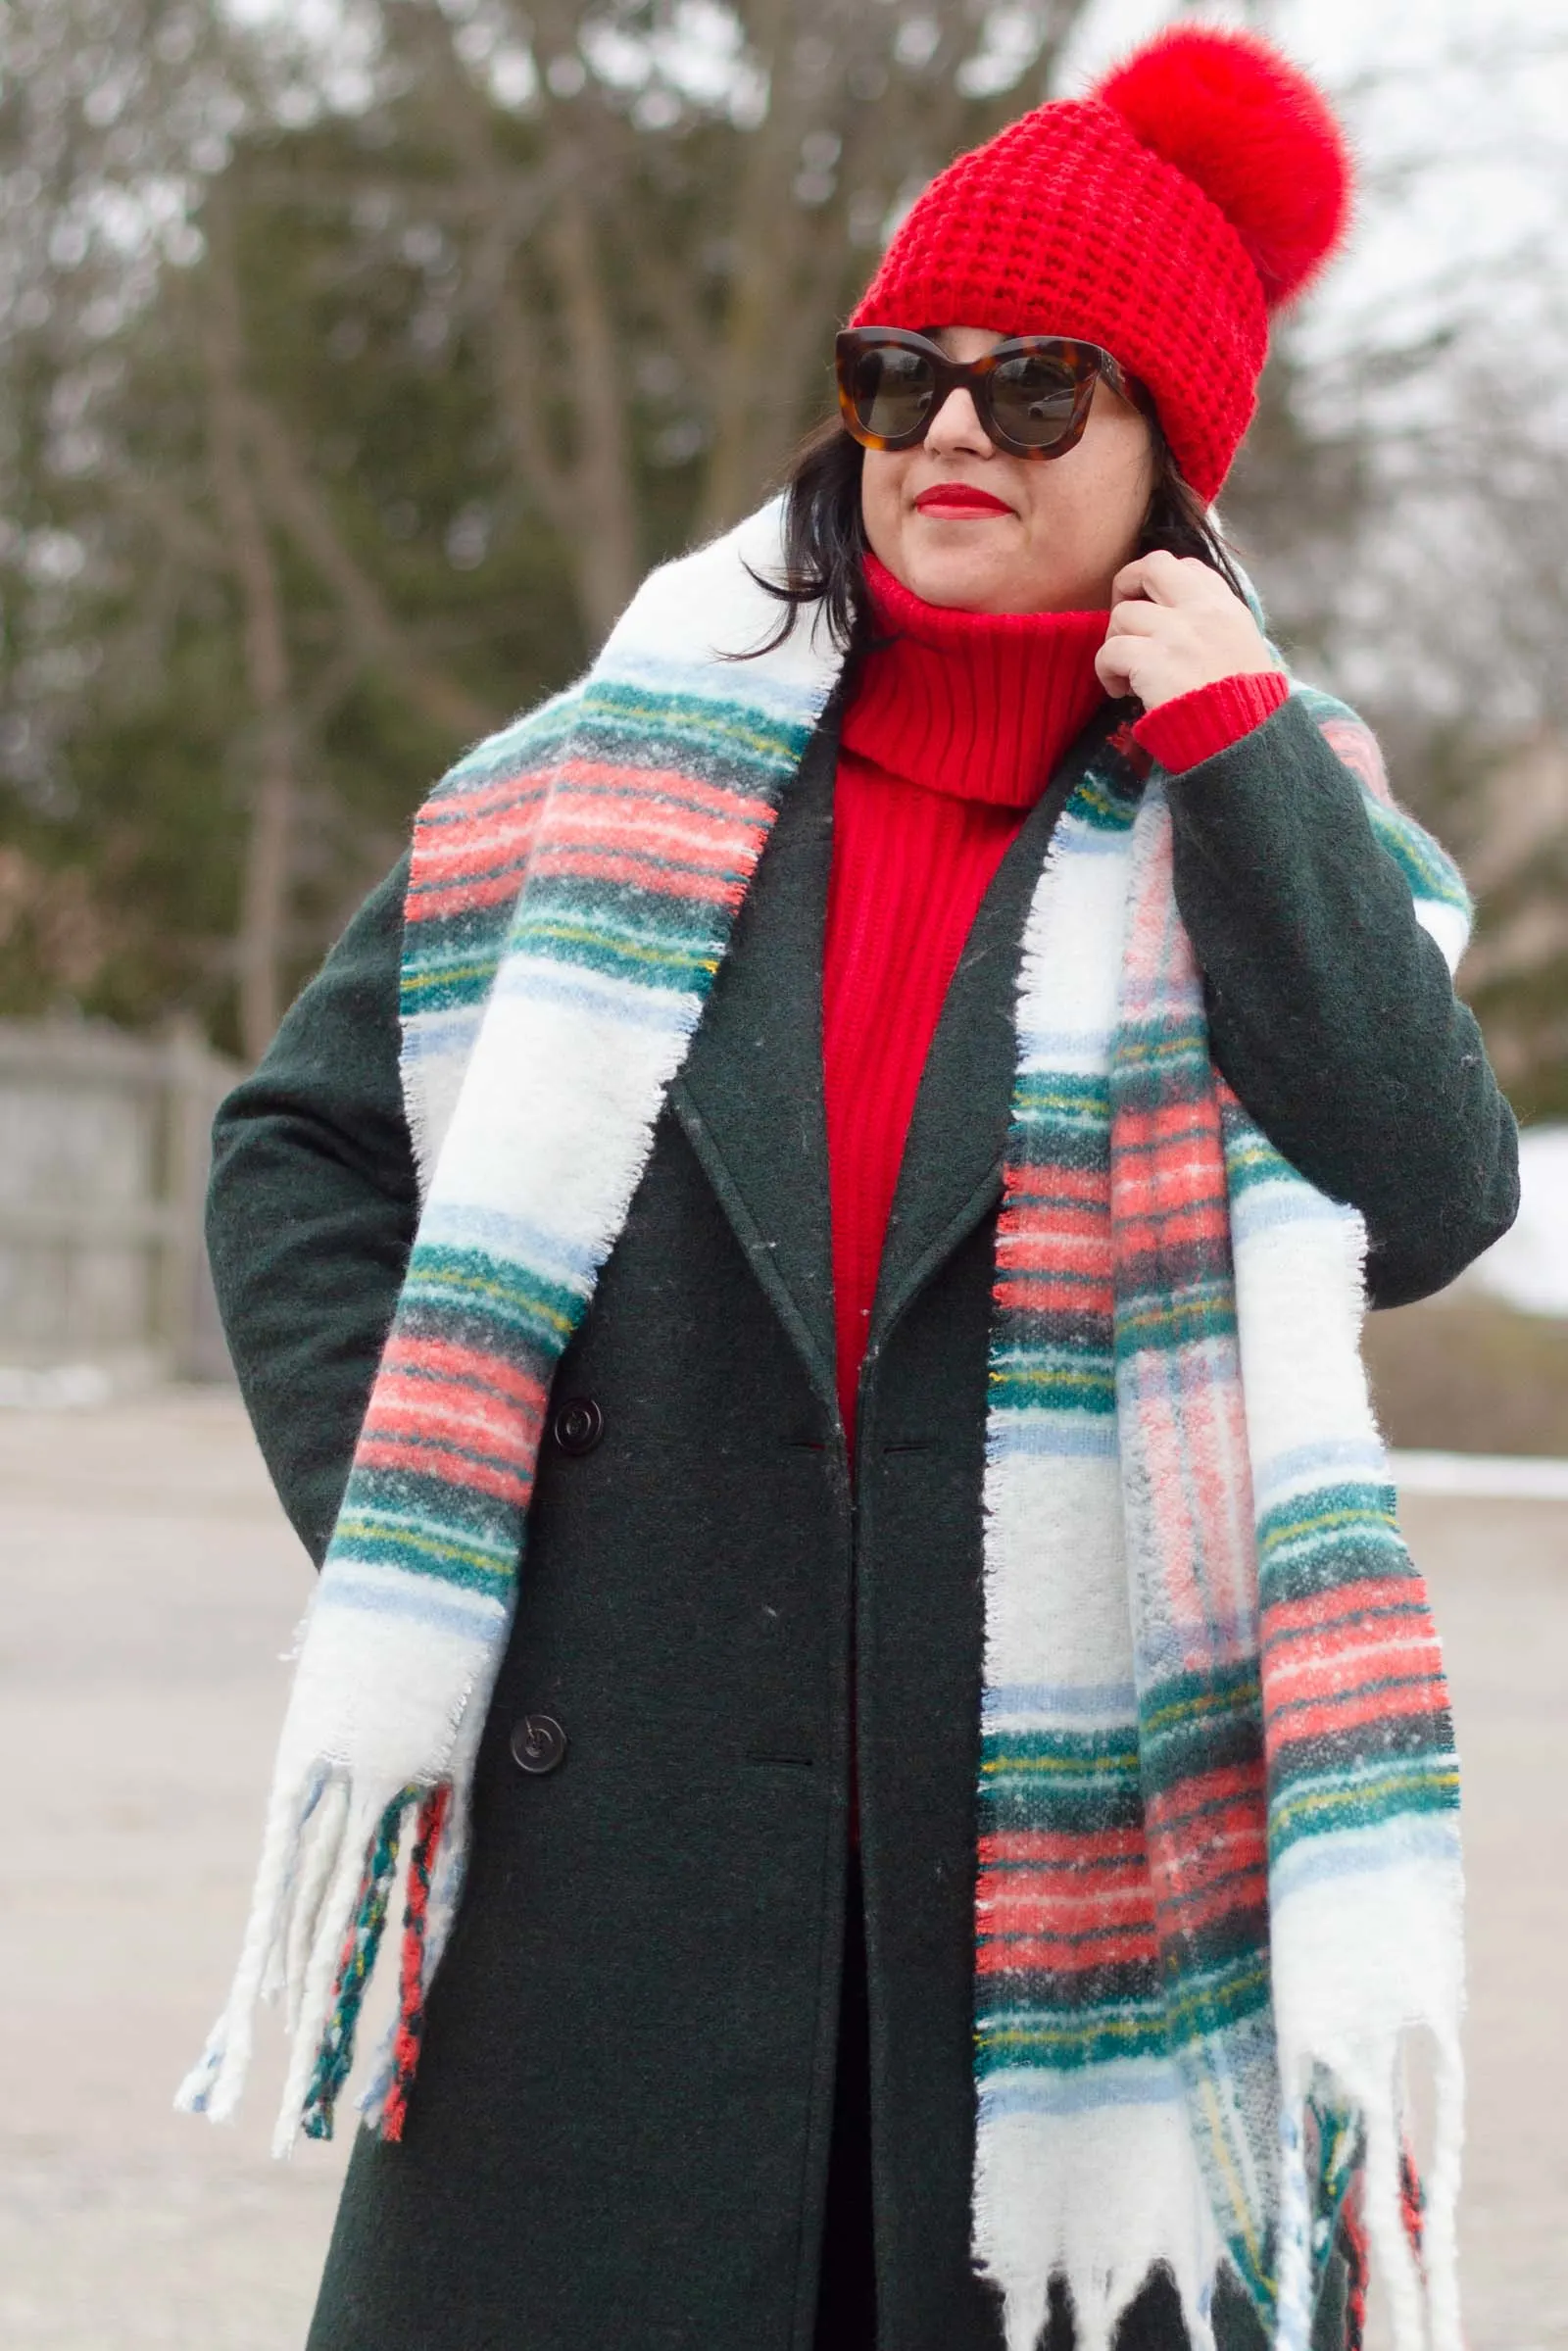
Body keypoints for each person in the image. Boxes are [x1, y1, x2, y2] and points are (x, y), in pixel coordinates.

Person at [183, 26, 1516, 2351]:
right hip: (612, 1869)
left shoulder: (1268, 824)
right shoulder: (596, 786)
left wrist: (1236, 755)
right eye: (901, 379)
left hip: (1051, 1880)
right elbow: (296, 1144)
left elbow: (1427, 1183)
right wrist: (443, 1513)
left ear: (1168, 451)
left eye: (1036, 391)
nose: (951, 442)